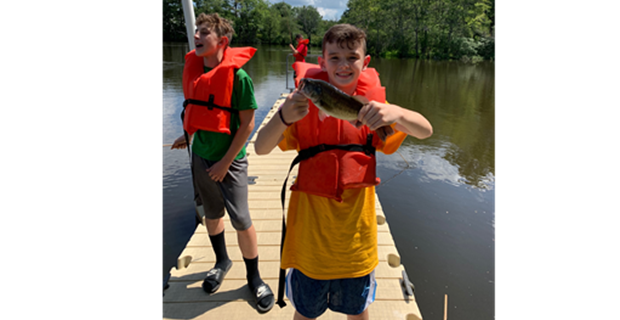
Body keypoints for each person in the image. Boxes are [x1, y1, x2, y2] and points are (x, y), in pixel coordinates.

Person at [254, 24, 433, 320]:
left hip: (356, 244)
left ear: (366, 62)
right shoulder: (302, 107)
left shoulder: (375, 109)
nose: (343, 64)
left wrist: (397, 114)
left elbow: (426, 130)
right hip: (309, 241)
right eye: (334, 57)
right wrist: (284, 116)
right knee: (305, 312)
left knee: (357, 311)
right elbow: (260, 147)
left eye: (352, 57)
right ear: (321, 62)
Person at [170, 12, 274, 313]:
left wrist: (226, 163)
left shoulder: (239, 78)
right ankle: (221, 261)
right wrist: (186, 134)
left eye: (205, 32)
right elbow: (200, 111)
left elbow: (247, 125)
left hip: (230, 162)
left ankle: (254, 278)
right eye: (197, 31)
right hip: (201, 154)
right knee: (212, 215)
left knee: (241, 219)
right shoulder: (196, 72)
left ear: (222, 41)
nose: (197, 36)